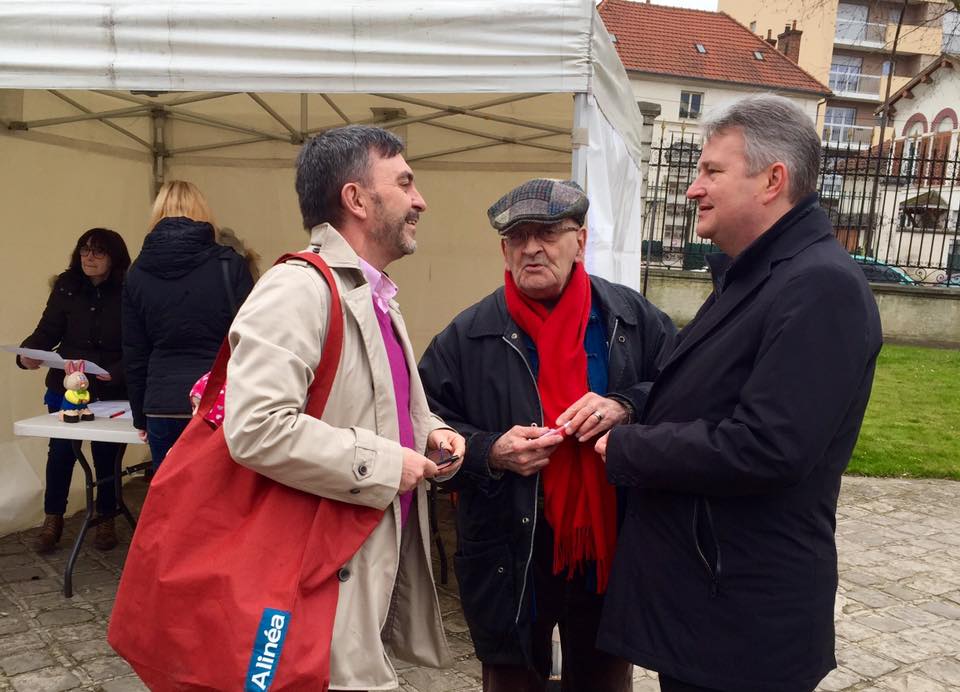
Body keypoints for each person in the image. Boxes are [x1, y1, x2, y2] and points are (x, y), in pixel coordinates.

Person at [594, 94, 883, 692]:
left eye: (712, 171)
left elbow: (769, 447)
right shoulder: (754, 275)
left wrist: (628, 450)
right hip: (709, 605)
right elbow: (704, 393)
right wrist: (627, 404)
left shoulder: (819, 286)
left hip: (744, 620)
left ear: (773, 180)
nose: (694, 188)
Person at [222, 125, 465, 690]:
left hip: (357, 552)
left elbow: (373, 398)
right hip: (318, 563)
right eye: (404, 182)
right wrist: (387, 463)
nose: (420, 200)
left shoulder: (371, 291)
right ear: (356, 199)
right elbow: (255, 427)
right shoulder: (297, 288)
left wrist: (429, 432)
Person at [417, 178, 677, 692]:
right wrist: (491, 452)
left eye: (548, 233)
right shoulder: (467, 335)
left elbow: (682, 389)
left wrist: (626, 405)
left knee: (603, 681)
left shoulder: (630, 318)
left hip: (610, 544)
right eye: (518, 237)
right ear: (503, 250)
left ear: (580, 239)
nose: (532, 247)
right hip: (508, 554)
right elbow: (423, 423)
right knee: (512, 680)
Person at [122, 181, 254, 470]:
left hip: (161, 403)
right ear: (204, 212)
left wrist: (140, 415)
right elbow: (253, 337)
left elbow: (134, 352)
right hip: (217, 399)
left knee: (170, 503)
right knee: (218, 502)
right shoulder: (229, 264)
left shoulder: (136, 272)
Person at [17, 228, 131, 552]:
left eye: (97, 252)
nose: (88, 258)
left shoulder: (129, 290)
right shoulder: (67, 286)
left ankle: (106, 517)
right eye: (84, 251)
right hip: (65, 387)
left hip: (109, 387)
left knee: (106, 454)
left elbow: (137, 341)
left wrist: (118, 372)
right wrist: (28, 354)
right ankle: (53, 518)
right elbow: (46, 331)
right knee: (61, 452)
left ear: (114, 258)